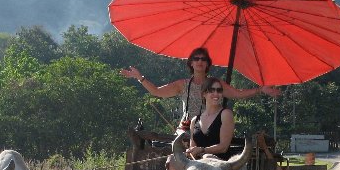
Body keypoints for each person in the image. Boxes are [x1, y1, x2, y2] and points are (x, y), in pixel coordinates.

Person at [120, 47, 280, 130]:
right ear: (191, 63)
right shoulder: (182, 84)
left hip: (211, 129)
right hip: (185, 129)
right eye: (196, 58)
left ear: (208, 63)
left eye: (203, 59)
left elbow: (237, 94)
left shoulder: (216, 84)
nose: (199, 61)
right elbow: (157, 92)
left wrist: (260, 90)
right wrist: (139, 77)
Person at [166, 77, 235, 170]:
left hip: (219, 165)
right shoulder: (194, 120)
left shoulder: (226, 114)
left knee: (207, 156)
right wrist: (190, 151)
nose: (216, 93)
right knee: (172, 159)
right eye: (211, 90)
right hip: (198, 164)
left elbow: (223, 147)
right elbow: (193, 148)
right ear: (204, 94)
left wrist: (202, 150)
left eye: (219, 90)